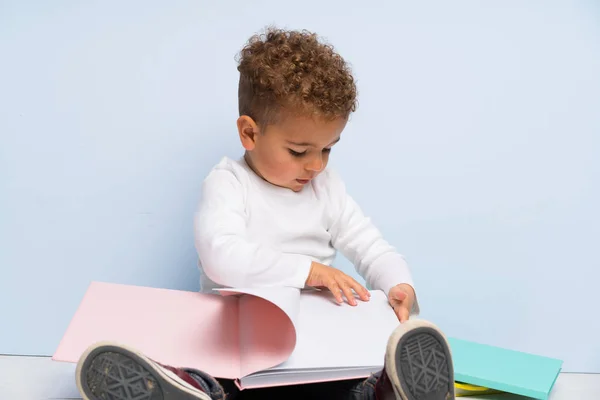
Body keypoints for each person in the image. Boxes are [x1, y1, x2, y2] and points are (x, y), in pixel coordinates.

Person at [74, 27, 455, 400]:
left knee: (345, 380)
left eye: (327, 149)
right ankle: (189, 389)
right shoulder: (228, 184)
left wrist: (398, 284)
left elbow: (369, 244)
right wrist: (309, 271)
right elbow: (221, 255)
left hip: (312, 353)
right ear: (250, 134)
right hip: (238, 351)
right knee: (215, 372)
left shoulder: (327, 187)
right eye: (299, 151)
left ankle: (385, 390)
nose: (316, 166)